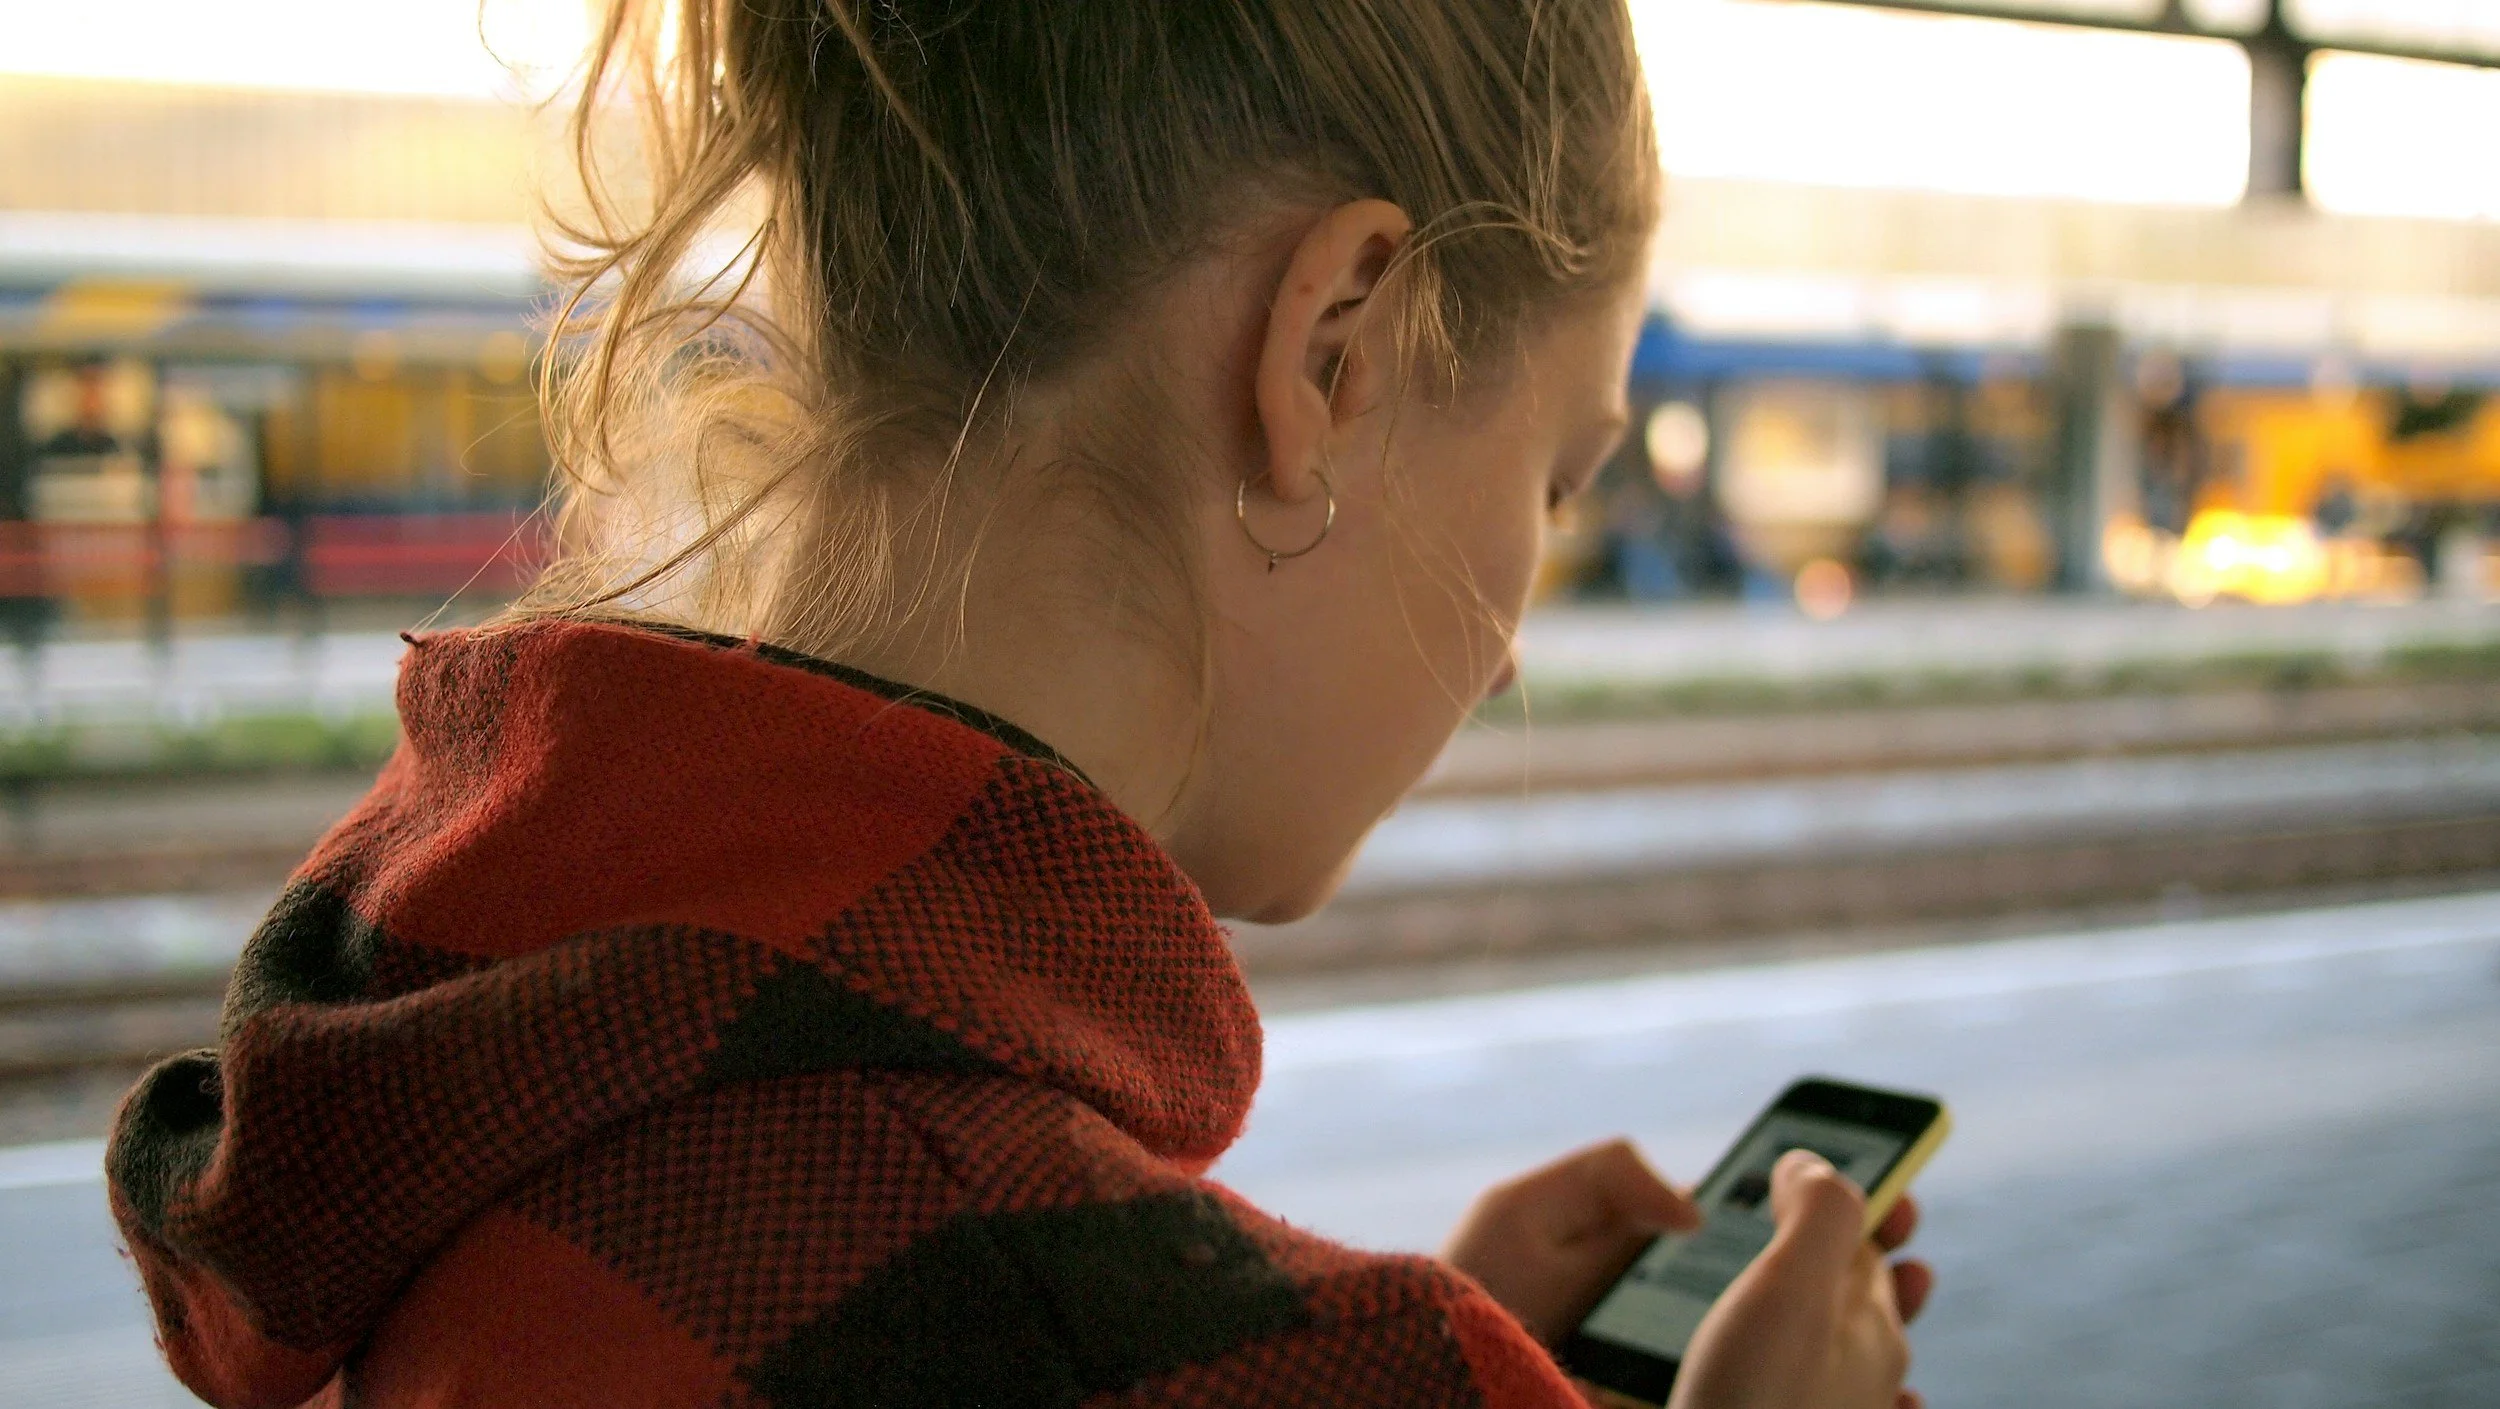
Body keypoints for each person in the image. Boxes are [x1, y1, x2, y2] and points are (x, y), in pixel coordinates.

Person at [106, 2, 1931, 1405]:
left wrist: (1286, 1320)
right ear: (1335, 352)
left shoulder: (453, 1062)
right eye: (1554, 476)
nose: (1516, 633)